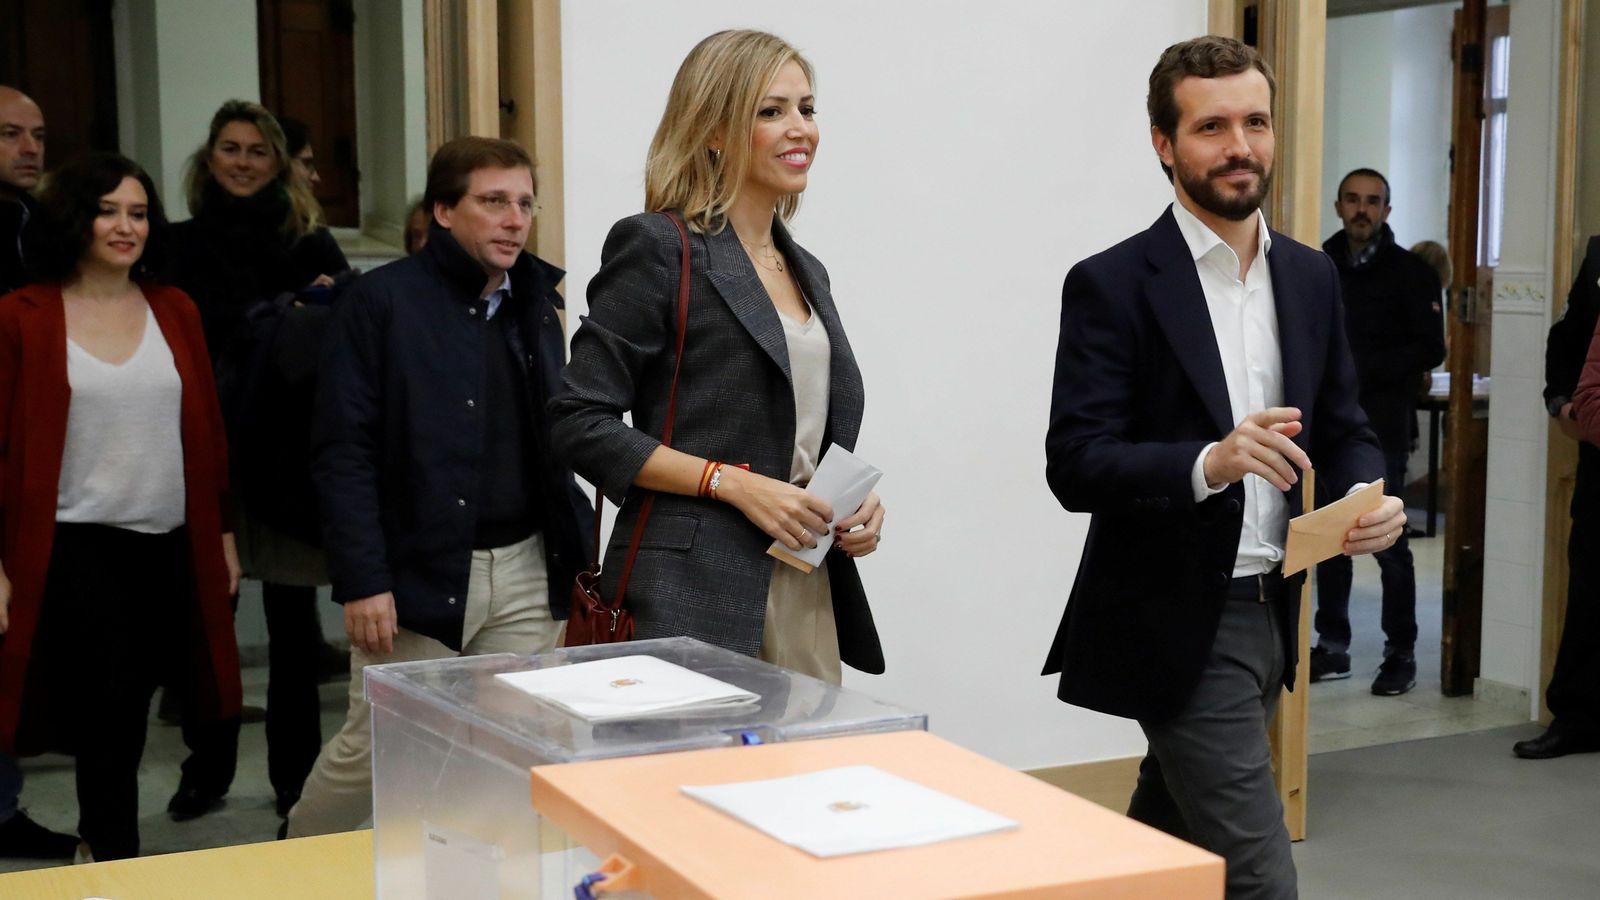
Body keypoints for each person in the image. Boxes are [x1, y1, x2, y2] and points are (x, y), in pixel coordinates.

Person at [1042, 36, 1403, 898]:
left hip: (1277, 605)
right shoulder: (1114, 283)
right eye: (1212, 126)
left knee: (1158, 846)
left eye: (1255, 122)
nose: (1240, 145)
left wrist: (1364, 496)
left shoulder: (1312, 279)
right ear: (1166, 145)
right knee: (1259, 877)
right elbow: (1076, 463)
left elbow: (1346, 425)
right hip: (1177, 618)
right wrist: (1209, 460)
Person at [550, 29, 887, 685]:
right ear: (712, 130)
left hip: (804, 583)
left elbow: (797, 431)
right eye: (772, 110)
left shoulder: (807, 269)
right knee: (695, 786)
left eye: (807, 109)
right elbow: (575, 419)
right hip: (689, 591)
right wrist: (728, 482)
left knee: (799, 781)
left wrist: (850, 509)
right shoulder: (659, 247)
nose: (801, 129)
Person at [287, 136, 591, 837]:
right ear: (444, 212)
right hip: (417, 574)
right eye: (493, 202)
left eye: (524, 203)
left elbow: (563, 442)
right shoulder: (379, 304)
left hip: (523, 567)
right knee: (376, 752)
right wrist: (364, 579)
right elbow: (343, 453)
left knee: (513, 751)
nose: (515, 219)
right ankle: (292, 865)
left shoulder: (535, 306)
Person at [0, 153, 242, 860]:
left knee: (168, 710)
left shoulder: (175, 307)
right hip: (77, 547)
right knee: (109, 720)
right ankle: (112, 860)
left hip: (172, 543)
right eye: (109, 210)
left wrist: (223, 536)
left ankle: (110, 850)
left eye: (138, 212)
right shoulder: (21, 317)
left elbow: (208, 434)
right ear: (75, 218)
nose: (125, 226)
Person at [162, 100, 350, 821]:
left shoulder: (311, 243)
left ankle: (294, 782)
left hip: (284, 457)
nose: (242, 161)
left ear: (277, 162)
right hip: (199, 449)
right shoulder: (173, 246)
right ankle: (204, 771)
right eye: (229, 148)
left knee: (293, 633)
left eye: (256, 151)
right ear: (209, 158)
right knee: (206, 625)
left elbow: (339, 339)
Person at [1307, 168, 1446, 695]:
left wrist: (1358, 368)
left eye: (1374, 201)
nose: (1362, 209)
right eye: (1353, 200)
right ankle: (1333, 646)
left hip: (1383, 427)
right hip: (1323, 428)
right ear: (1338, 205)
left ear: (1387, 210)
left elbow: (1430, 348)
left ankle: (1400, 652)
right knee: (1331, 541)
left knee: (1389, 544)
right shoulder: (1316, 264)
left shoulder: (1411, 272)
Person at [0, 83, 80, 860]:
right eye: (9, 135)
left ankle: (2, 806)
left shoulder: (39, 227)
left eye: (38, 133)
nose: (29, 148)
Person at [1524, 235, 1600, 759]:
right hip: (1598, 460)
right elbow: (1568, 337)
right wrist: (1561, 402)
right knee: (1591, 593)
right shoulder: (1598, 254)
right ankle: (1576, 718)